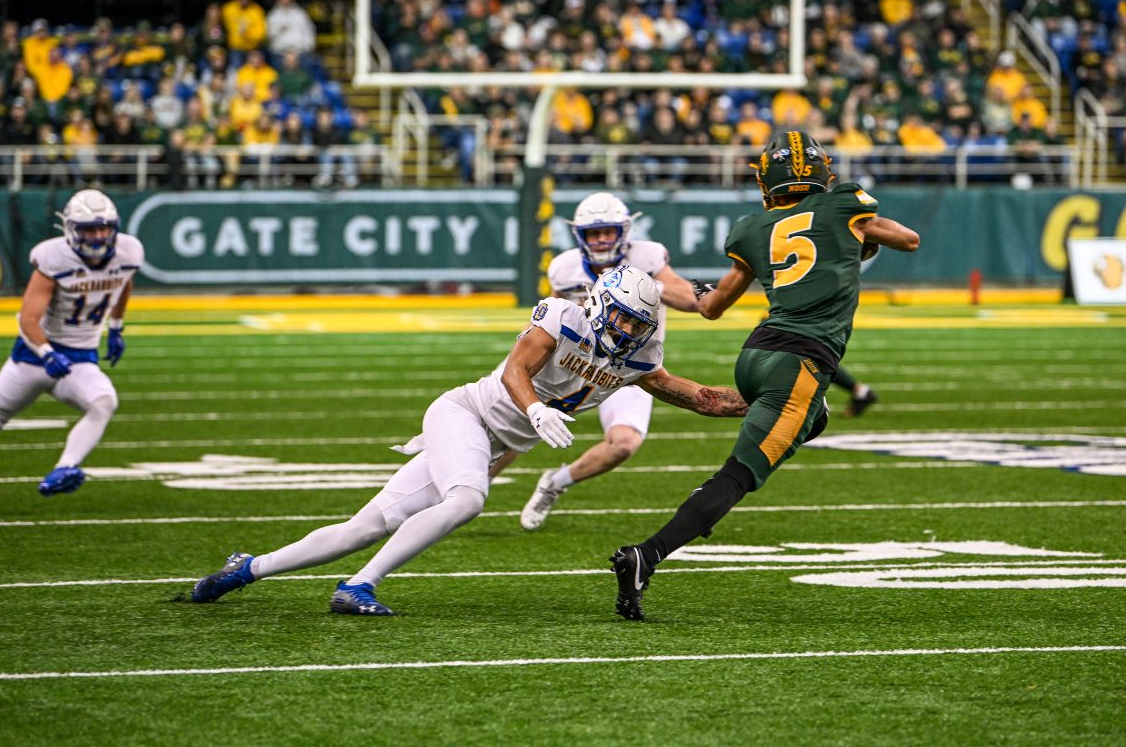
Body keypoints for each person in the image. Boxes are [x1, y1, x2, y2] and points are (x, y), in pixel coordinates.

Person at [190, 266, 748, 616]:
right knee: (468, 499)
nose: (627, 333)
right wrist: (535, 411)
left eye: (636, 326)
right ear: (601, 304)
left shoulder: (635, 360)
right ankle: (358, 585)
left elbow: (700, 397)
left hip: (490, 440)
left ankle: (248, 567)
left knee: (364, 526)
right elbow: (514, 372)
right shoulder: (562, 316)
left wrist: (770, 403)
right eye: (622, 320)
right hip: (465, 414)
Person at [608, 131, 920, 620]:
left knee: (813, 417)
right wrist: (857, 241)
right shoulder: (843, 203)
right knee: (737, 477)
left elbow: (709, 308)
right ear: (821, 171)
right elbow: (908, 239)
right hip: (799, 364)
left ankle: (756, 453)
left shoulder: (752, 228)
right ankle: (645, 556)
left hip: (756, 353)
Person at [513, 192, 704, 531]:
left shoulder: (648, 256)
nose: (601, 239)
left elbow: (693, 300)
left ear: (625, 231)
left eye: (608, 231)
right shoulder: (564, 267)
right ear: (579, 236)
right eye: (593, 233)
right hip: (576, 362)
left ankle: (555, 483)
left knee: (624, 444)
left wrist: (648, 284)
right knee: (518, 419)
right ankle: (471, 487)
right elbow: (555, 318)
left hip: (632, 367)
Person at [0, 189, 144, 496]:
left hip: (79, 358)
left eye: (105, 228)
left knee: (104, 401)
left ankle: (65, 467)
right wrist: (47, 353)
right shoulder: (53, 257)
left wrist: (116, 326)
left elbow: (123, 281)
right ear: (71, 229)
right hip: (34, 356)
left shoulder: (128, 252)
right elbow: (27, 319)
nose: (99, 235)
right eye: (90, 228)